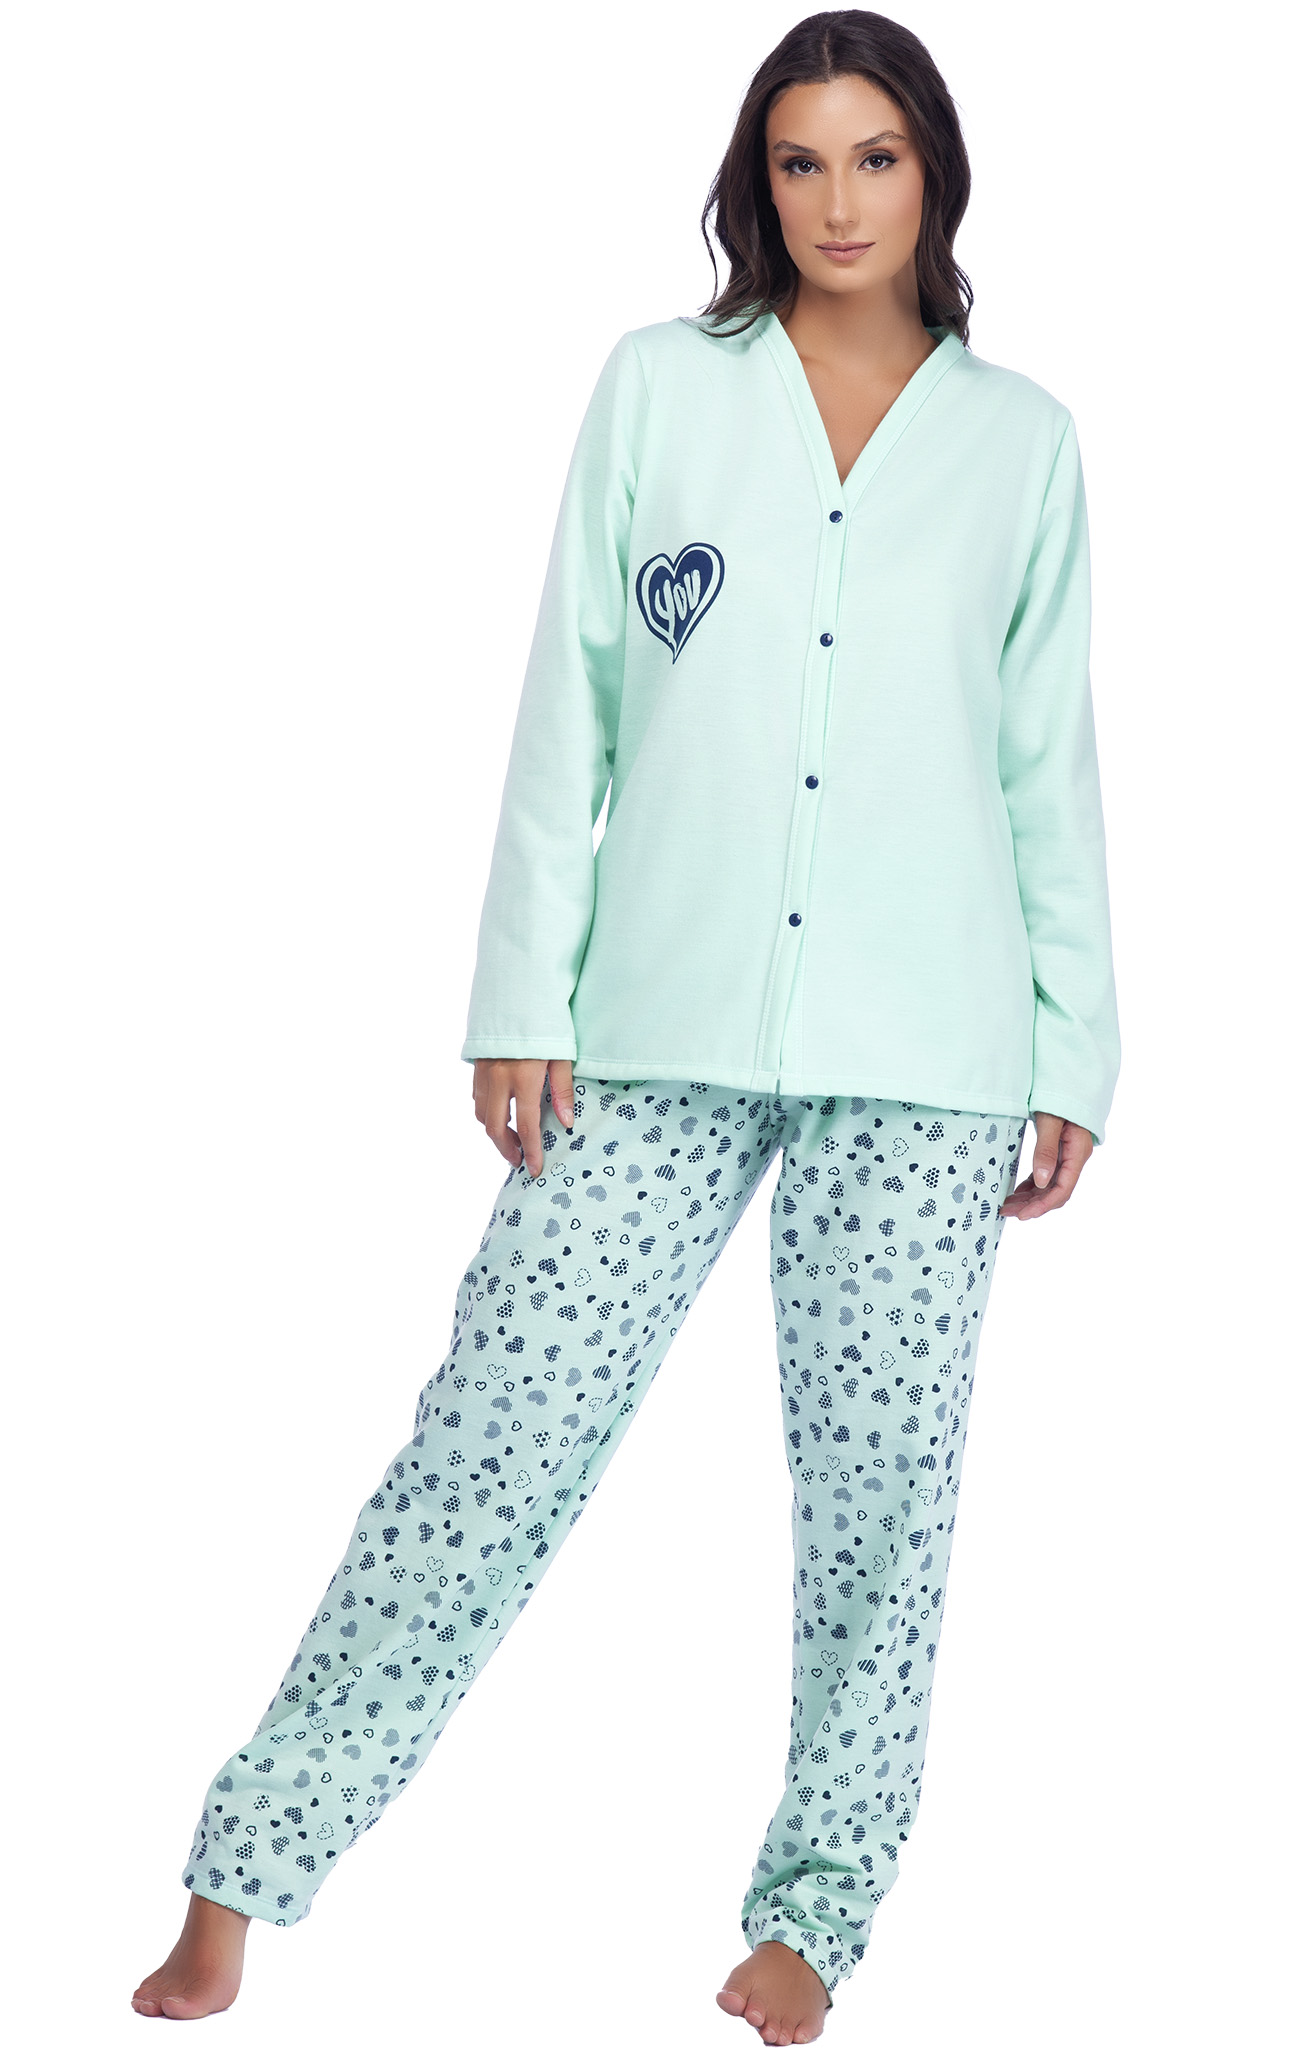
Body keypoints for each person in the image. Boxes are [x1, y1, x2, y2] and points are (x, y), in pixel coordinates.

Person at [132, 9, 1120, 2040]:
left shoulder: (1019, 442)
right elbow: (570, 698)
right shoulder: (663, 388)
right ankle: (248, 1860)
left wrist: (1070, 1050)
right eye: (797, 161)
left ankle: (811, 1918)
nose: (835, 202)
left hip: (927, 1051)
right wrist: (521, 993)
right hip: (651, 1022)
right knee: (488, 1442)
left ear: (931, 175)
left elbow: (1046, 761)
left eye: (872, 158)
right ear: (754, 183)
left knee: (880, 1503)